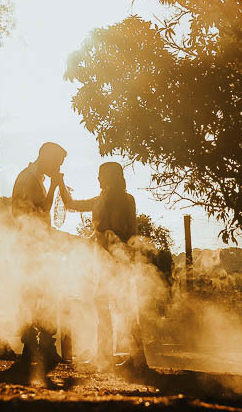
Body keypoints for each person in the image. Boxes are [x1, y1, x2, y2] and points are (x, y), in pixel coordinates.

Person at [58, 162, 153, 378]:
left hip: (117, 260)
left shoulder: (123, 200)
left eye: (100, 176)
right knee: (108, 307)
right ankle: (111, 357)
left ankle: (133, 359)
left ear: (109, 178)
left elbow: (124, 233)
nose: (98, 180)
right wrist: (60, 181)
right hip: (109, 260)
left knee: (121, 308)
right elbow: (70, 204)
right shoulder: (102, 200)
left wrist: (116, 252)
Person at [10, 142, 67, 376]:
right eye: (57, 163)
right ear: (45, 157)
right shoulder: (28, 179)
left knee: (39, 295)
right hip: (31, 246)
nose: (58, 168)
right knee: (36, 295)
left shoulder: (34, 178)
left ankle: (41, 346)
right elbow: (37, 213)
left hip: (36, 245)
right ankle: (36, 347)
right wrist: (54, 186)